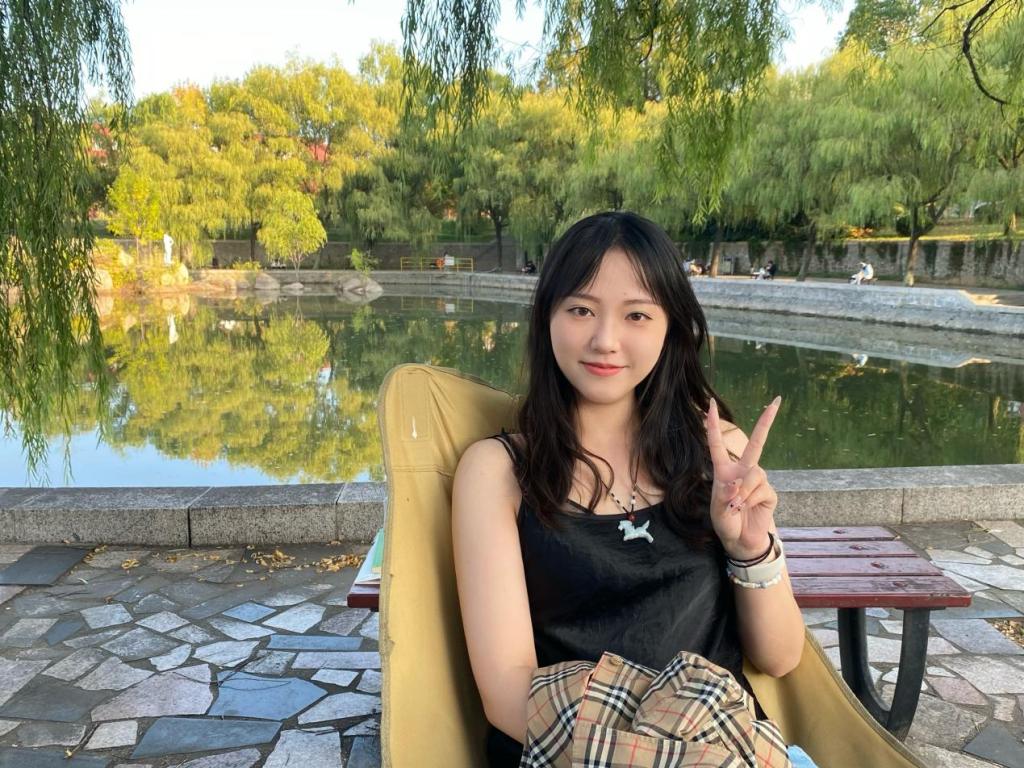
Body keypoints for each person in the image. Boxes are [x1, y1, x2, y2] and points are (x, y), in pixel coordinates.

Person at [451, 211, 808, 768]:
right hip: (571, 749)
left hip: (724, 742)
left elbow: (780, 657)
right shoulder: (498, 472)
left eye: (636, 314)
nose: (605, 340)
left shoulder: (720, 457)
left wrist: (749, 548)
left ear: (670, 328)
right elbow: (506, 695)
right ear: (547, 317)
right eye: (580, 309)